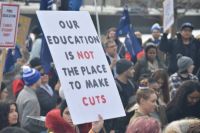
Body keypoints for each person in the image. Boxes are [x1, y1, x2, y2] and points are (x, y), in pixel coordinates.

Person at [105, 59, 137, 133]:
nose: (134, 71)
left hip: (129, 121)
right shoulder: (113, 86)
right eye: (131, 69)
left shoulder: (132, 84)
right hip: (117, 125)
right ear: (125, 70)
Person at [16, 66, 44, 133]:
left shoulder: (23, 92)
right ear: (35, 81)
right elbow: (26, 124)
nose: (41, 78)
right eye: (39, 77)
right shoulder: (31, 99)